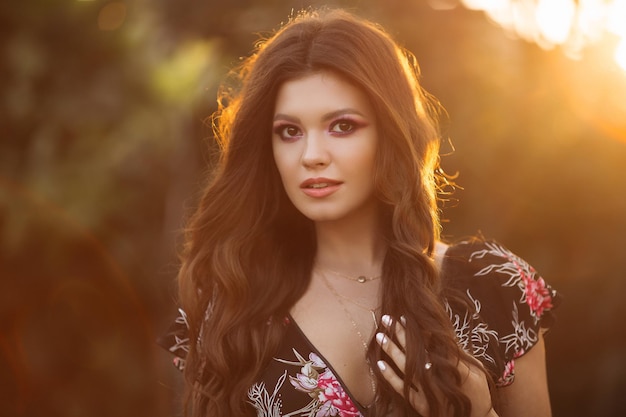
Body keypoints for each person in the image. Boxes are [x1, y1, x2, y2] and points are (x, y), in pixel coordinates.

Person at [158, 8, 559, 417]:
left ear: (390, 133)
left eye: (343, 126)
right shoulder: (230, 304)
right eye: (289, 132)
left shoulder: (494, 285)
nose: (312, 156)